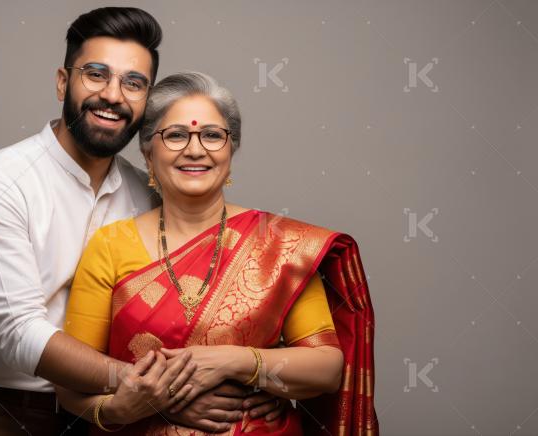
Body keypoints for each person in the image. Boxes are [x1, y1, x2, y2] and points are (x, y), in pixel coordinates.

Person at [0, 8, 284, 435]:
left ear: (147, 100)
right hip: (6, 414)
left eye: (133, 83)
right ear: (63, 82)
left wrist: (260, 382)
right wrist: (166, 392)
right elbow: (18, 333)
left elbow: (203, 301)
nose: (113, 95)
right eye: (96, 74)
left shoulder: (150, 192)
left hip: (118, 420)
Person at [58, 72, 379, 435]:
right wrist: (133, 407)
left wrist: (235, 362)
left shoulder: (279, 244)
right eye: (176, 135)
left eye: (212, 135)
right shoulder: (110, 245)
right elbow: (70, 385)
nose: (195, 150)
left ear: (230, 149)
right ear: (148, 151)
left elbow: (327, 368)